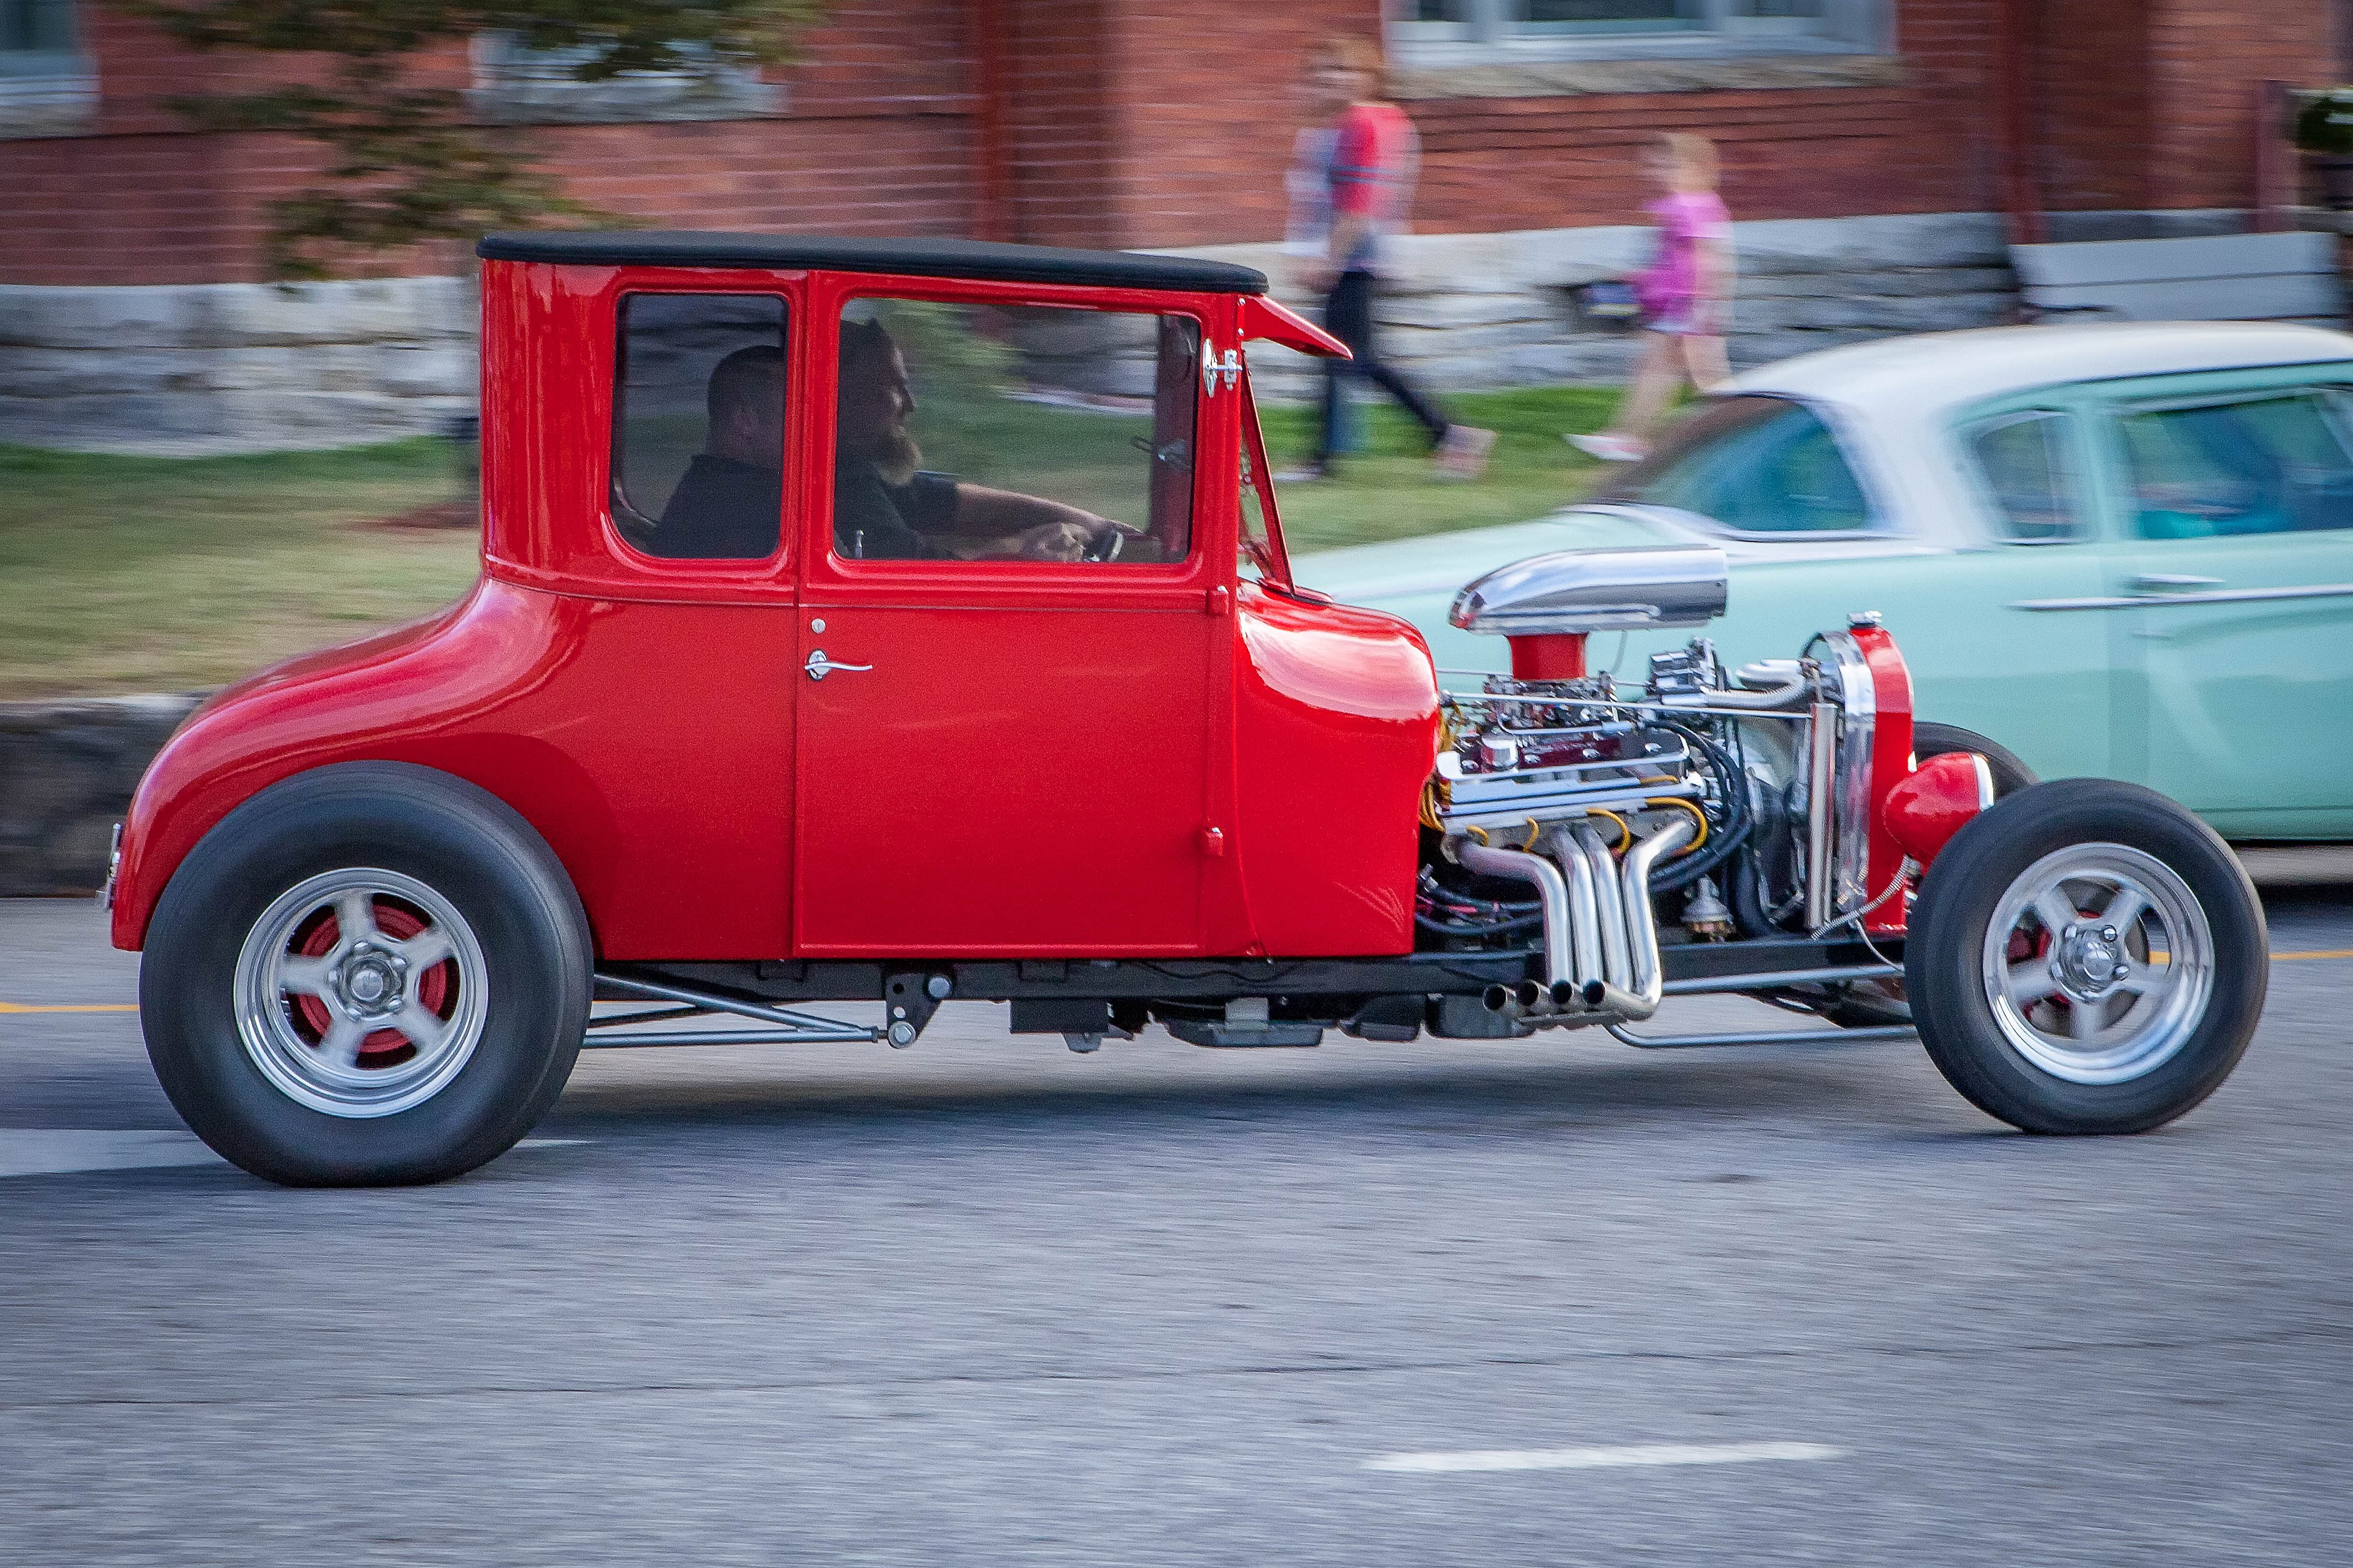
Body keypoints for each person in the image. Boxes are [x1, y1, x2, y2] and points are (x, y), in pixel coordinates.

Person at [1281, 35, 1492, 485]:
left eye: (1342, 71)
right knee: (1336, 356)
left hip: (1357, 258)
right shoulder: (1330, 129)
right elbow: (1316, 199)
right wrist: (1305, 251)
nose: (1329, 80)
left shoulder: (1368, 124)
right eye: (1321, 72)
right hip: (1345, 256)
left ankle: (1451, 433)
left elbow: (1359, 204)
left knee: (1353, 358)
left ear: (1367, 78)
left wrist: (1328, 260)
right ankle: (1324, 457)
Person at [832, 318, 1133, 562]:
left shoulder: (852, 469)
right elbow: (920, 575)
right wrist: (1018, 550)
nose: (910, 405)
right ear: (842, 392)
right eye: (895, 388)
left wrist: (1095, 525)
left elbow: (936, 500)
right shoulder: (838, 481)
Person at [1569, 133, 1735, 464]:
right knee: (1679, 373)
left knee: (1701, 376)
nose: (1658, 170)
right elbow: (1669, 262)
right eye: (1656, 164)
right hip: (1671, 304)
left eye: (1667, 164)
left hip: (1684, 305)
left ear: (1694, 167)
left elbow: (1710, 260)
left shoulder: (1692, 207)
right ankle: (1629, 437)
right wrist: (1636, 278)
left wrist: (1705, 305)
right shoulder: (1692, 206)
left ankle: (1634, 438)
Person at [655, 344, 787, 558]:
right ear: (746, 420)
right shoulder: (744, 506)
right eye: (791, 412)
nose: (807, 427)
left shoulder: (707, 487)